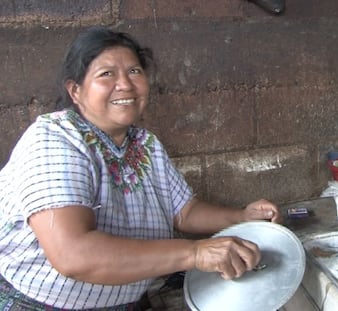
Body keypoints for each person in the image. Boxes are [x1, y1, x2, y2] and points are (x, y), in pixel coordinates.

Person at [0, 26, 282, 310]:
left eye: (134, 71)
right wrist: (195, 253)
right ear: (75, 91)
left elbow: (184, 211)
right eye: (106, 74)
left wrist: (242, 217)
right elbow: (73, 255)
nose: (125, 84)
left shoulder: (145, 144)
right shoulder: (56, 138)